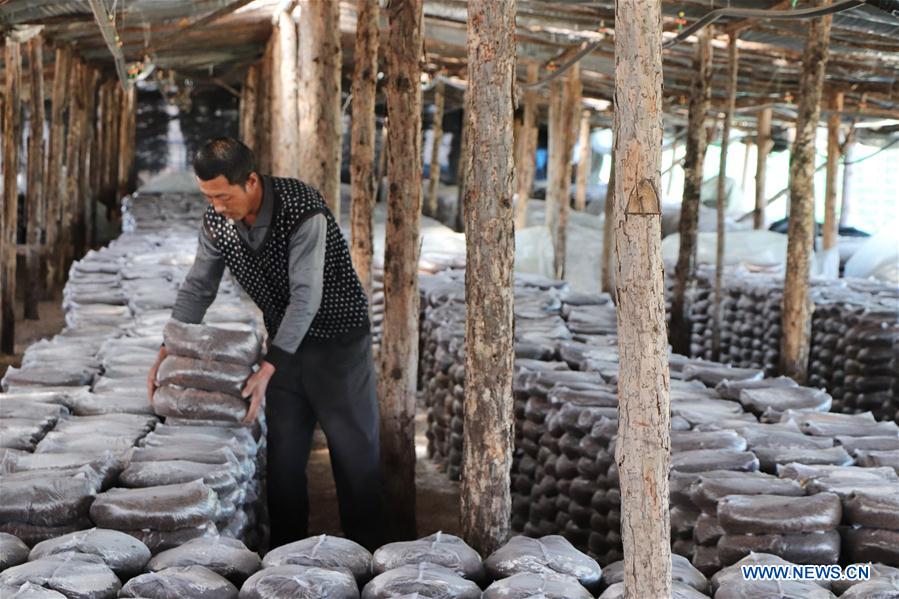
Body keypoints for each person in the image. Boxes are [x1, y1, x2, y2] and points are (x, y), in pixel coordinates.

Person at [147, 137, 384, 551]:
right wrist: (169, 348)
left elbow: (306, 296)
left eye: (223, 196)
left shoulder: (301, 209)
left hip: (339, 346)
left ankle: (369, 558)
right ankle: (287, 566)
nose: (217, 206)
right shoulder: (217, 221)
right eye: (208, 197)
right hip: (284, 349)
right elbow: (199, 286)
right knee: (284, 464)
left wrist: (269, 367)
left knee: (354, 457)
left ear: (251, 181)